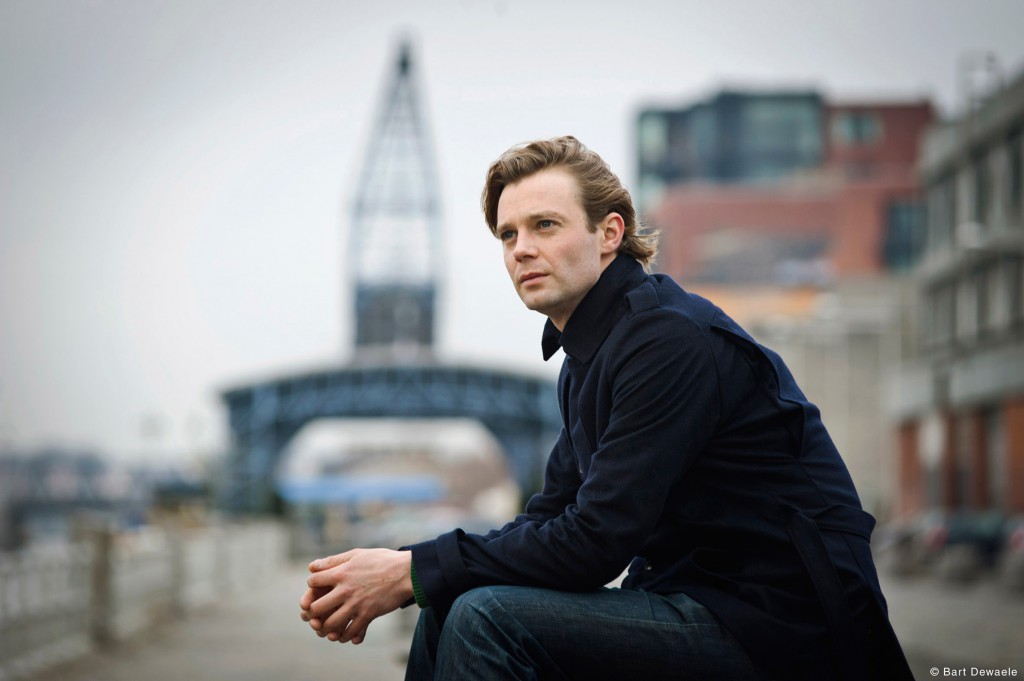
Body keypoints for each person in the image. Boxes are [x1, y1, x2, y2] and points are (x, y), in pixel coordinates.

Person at [299, 136, 913, 681]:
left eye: (545, 225)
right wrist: (408, 567)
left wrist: (412, 572)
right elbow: (551, 517)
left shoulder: (667, 342)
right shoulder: (588, 358)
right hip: (699, 602)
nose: (521, 249)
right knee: (450, 607)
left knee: (486, 618)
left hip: (784, 628)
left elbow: (594, 543)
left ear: (610, 233)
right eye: (509, 235)